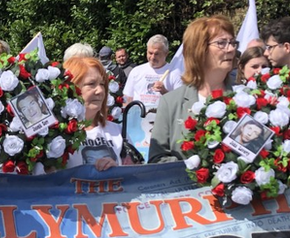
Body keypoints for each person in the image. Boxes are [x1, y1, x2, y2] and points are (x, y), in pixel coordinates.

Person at [149, 16, 236, 163]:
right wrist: (195, 169)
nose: (231, 48)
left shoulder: (245, 99)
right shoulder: (171, 102)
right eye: (222, 43)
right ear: (199, 50)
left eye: (233, 42)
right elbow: (156, 159)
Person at [64, 57, 131, 170]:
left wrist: (117, 170)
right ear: (72, 88)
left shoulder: (117, 131)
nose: (100, 91)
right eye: (91, 84)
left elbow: (135, 177)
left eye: (102, 84)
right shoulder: (58, 138)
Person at [123, 34, 173, 110]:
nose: (152, 57)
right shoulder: (136, 71)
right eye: (150, 53)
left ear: (166, 53)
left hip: (162, 118)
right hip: (138, 117)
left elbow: (180, 102)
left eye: (156, 54)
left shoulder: (173, 72)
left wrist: (164, 91)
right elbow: (127, 99)